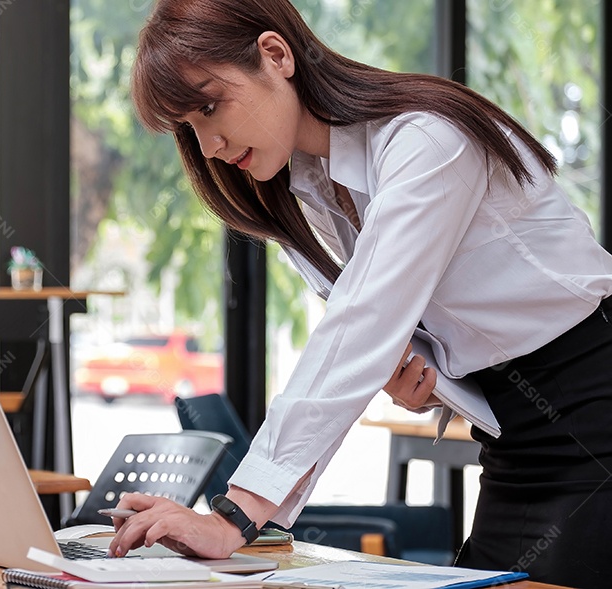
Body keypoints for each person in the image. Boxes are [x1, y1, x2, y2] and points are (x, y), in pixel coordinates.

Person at [106, 1, 612, 587]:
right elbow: (388, 332)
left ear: (276, 55)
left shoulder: (427, 139)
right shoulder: (312, 188)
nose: (210, 144)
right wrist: (431, 376)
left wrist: (235, 515)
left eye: (210, 105)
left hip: (595, 409)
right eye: (190, 128)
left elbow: (360, 324)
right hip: (515, 437)